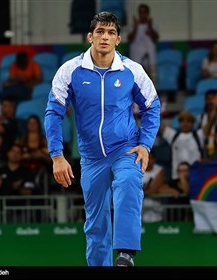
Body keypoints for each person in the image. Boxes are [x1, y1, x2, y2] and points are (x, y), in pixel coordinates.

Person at [44, 11, 160, 267]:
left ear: (118, 39)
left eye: (110, 33)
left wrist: (145, 144)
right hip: (91, 157)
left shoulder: (132, 70)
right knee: (95, 223)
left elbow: (152, 106)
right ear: (90, 37)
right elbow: (53, 113)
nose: (105, 37)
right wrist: (57, 155)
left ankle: (126, 253)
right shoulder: (70, 70)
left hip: (125, 149)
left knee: (128, 183)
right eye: (100, 32)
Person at [127, 3, 159, 84]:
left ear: (148, 13)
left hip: (150, 57)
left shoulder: (153, 25)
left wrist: (150, 26)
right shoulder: (133, 26)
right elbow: (130, 39)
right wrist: (136, 27)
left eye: (144, 12)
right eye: (140, 12)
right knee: (137, 80)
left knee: (152, 78)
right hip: (136, 58)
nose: (142, 14)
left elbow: (155, 38)